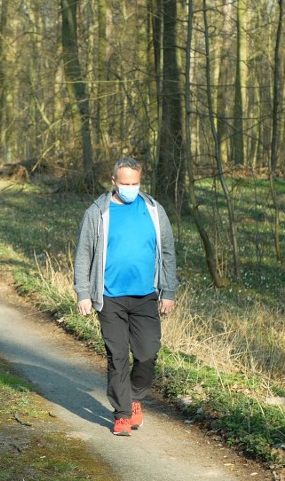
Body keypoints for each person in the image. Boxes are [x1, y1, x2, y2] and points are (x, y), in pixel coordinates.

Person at [73, 157, 178, 436]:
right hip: (110, 298)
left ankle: (133, 398)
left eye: (135, 183)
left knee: (147, 354)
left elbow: (167, 252)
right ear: (114, 182)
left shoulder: (154, 210)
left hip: (146, 296)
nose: (130, 188)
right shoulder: (98, 212)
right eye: (125, 183)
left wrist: (169, 291)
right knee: (117, 356)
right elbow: (84, 253)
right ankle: (121, 414)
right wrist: (83, 292)